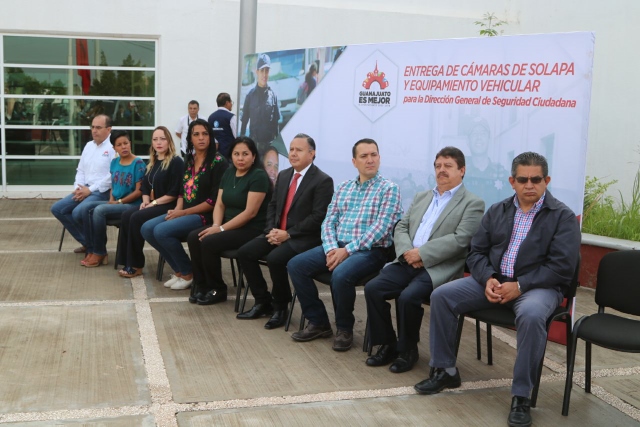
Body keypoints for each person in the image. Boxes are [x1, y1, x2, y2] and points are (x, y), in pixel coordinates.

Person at [413, 152, 581, 427]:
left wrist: (520, 285)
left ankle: (521, 396)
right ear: (512, 181)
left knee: (531, 315)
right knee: (442, 296)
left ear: (547, 180)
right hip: (495, 281)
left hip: (538, 288)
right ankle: (445, 371)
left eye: (536, 179)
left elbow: (562, 267)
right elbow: (476, 252)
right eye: (523, 180)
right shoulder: (498, 210)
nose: (529, 185)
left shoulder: (562, 217)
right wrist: (488, 278)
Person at [363, 147, 484, 373]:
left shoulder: (472, 203)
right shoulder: (422, 197)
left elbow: (461, 239)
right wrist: (408, 252)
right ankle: (388, 344)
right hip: (408, 260)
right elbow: (401, 226)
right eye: (438, 166)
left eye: (448, 166)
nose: (442, 170)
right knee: (373, 288)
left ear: (462, 170)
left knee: (408, 297)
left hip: (440, 267)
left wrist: (423, 254)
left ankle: (408, 350)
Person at [287, 138, 403, 352]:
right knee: (296, 265)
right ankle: (319, 322)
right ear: (354, 161)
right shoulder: (343, 187)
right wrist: (332, 248)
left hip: (370, 250)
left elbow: (382, 228)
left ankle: (344, 329)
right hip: (337, 245)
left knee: (340, 274)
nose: (370, 160)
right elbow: (328, 221)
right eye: (364, 156)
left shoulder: (389, 189)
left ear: (379, 158)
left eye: (374, 155)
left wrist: (347, 251)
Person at [236, 134, 334, 329]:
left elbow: (318, 217)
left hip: (303, 238)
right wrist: (271, 230)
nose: (293, 154)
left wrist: (288, 234)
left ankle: (281, 307)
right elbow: (273, 206)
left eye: (299, 150)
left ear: (312, 154)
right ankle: (263, 301)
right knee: (245, 253)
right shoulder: (284, 175)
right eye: (291, 149)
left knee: (275, 259)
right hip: (277, 232)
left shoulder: (322, 180)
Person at [140, 119, 228, 290]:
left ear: (210, 137)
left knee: (161, 231)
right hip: (185, 212)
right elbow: (182, 191)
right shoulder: (189, 159)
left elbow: (213, 201)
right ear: (190, 139)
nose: (201, 138)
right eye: (196, 134)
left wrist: (183, 213)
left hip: (205, 216)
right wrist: (177, 210)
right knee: (147, 228)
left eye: (205, 134)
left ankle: (188, 272)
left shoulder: (219, 162)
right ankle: (180, 271)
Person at [187, 137, 272, 305]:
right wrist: (216, 225)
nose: (240, 158)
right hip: (228, 225)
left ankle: (217, 289)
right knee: (193, 237)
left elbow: (250, 213)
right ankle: (202, 286)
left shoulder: (258, 176)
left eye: (245, 154)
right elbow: (219, 203)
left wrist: (220, 229)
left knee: (209, 242)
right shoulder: (229, 172)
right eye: (236, 154)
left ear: (254, 156)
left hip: (251, 229)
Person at [116, 126, 184, 278]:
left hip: (168, 205)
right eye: (155, 139)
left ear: (169, 141)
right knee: (126, 215)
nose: (158, 142)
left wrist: (153, 204)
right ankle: (126, 260)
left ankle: (136, 265)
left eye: (162, 139)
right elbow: (145, 186)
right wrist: (145, 201)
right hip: (153, 204)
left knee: (136, 218)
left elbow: (174, 192)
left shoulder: (176, 162)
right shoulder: (153, 162)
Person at [80, 130, 146, 267]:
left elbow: (139, 191)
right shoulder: (115, 162)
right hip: (116, 202)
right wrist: (111, 200)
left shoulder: (138, 163)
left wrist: (119, 202)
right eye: (119, 145)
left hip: (132, 205)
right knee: (86, 208)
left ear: (130, 143)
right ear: (114, 148)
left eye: (125, 143)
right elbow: (113, 185)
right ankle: (91, 249)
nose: (123, 147)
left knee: (99, 210)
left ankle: (99, 252)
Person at [51, 114, 116, 253]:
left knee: (78, 212)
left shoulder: (113, 147)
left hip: (102, 192)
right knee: (58, 209)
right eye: (92, 127)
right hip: (84, 189)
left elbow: (112, 176)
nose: (94, 131)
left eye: (98, 127)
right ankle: (89, 243)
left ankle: (95, 248)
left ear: (109, 129)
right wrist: (78, 187)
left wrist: (90, 190)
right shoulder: (89, 146)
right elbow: (80, 170)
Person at [463, 117, 510, 206]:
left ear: (489, 139)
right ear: (467, 141)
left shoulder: (501, 174)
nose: (479, 138)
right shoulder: (459, 176)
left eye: (483, 133)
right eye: (474, 134)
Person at [240, 53, 280, 155]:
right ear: (257, 72)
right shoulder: (250, 96)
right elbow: (244, 122)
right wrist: (241, 145)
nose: (264, 74)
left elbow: (276, 124)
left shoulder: (273, 96)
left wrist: (277, 148)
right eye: (262, 70)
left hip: (269, 147)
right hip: (254, 148)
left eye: (267, 71)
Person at [207, 92, 237, 159]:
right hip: (229, 153)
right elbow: (237, 136)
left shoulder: (210, 117)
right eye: (231, 102)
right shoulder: (231, 117)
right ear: (227, 103)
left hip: (215, 154)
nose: (231, 104)